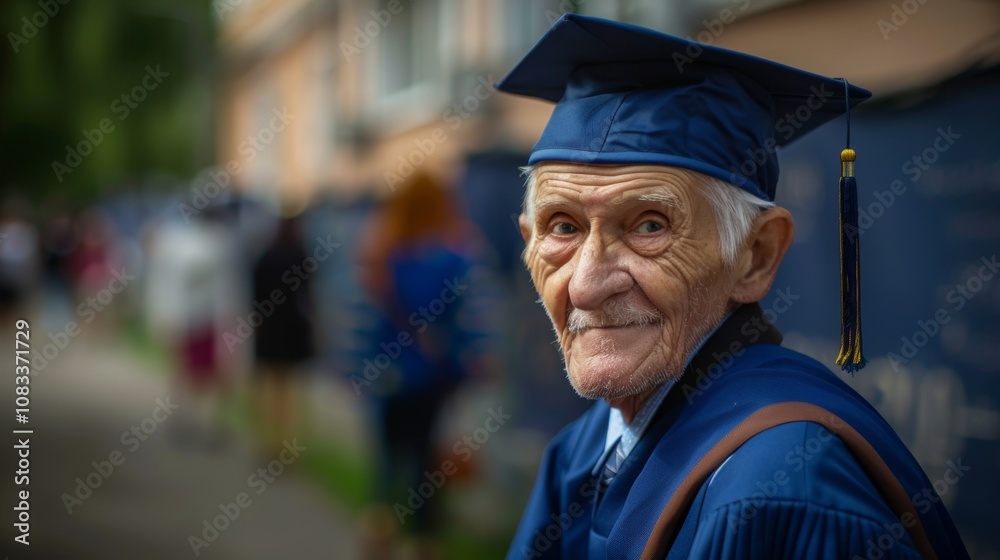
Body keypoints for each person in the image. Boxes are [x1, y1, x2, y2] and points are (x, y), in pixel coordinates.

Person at [496, 15, 969, 559]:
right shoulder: (583, 449)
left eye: (650, 224)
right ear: (528, 242)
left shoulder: (786, 488)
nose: (585, 285)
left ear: (755, 257)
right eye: (563, 226)